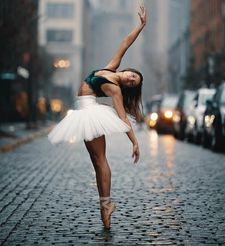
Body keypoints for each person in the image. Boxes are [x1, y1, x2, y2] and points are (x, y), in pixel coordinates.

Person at [48, 5, 146, 229]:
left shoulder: (115, 89)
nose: (131, 79)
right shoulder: (111, 69)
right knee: (97, 161)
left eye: (133, 83)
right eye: (133, 76)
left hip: (90, 112)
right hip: (84, 111)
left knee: (101, 161)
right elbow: (124, 43)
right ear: (129, 70)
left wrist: (135, 141)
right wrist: (140, 26)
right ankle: (106, 207)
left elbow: (123, 119)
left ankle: (106, 204)